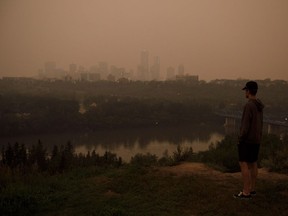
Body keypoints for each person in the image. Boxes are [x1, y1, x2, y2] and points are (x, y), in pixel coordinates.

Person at [233, 81, 264, 200]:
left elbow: (245, 126)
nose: (245, 92)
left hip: (247, 140)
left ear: (248, 91)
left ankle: (246, 192)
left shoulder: (249, 105)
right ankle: (252, 189)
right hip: (256, 139)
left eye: (245, 90)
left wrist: (240, 138)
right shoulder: (259, 105)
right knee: (253, 162)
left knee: (243, 163)